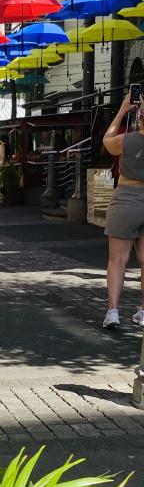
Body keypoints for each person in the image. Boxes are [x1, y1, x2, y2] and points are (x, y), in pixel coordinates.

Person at [102, 92, 144, 329]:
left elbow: (108, 141)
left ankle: (113, 312)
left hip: (126, 200)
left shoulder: (126, 140)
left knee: (117, 260)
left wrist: (121, 111)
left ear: (139, 116)